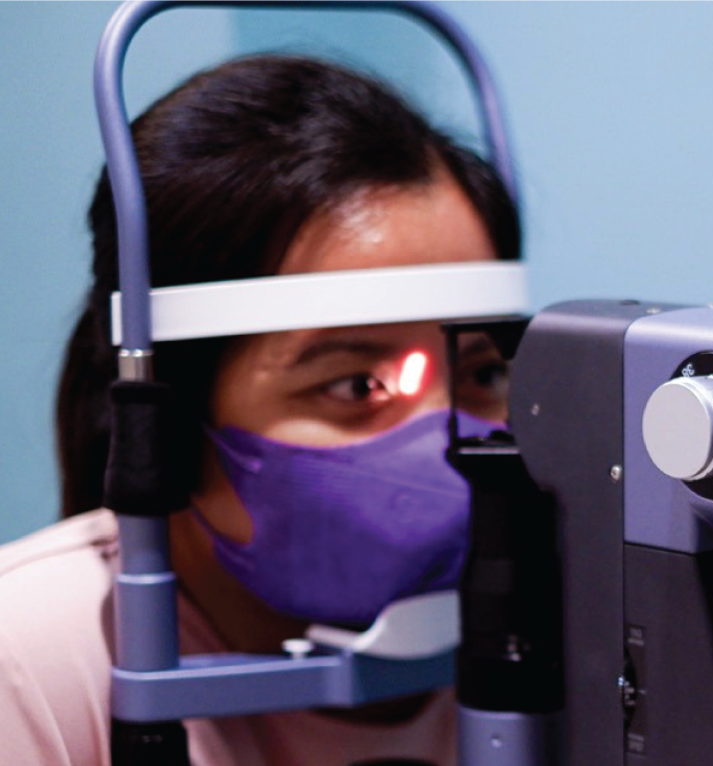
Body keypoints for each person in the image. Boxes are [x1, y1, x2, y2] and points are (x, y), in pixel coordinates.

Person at [0, 53, 521, 765]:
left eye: (484, 373)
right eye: (357, 386)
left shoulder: (581, 621)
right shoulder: (27, 662)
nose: (441, 444)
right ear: (169, 423)